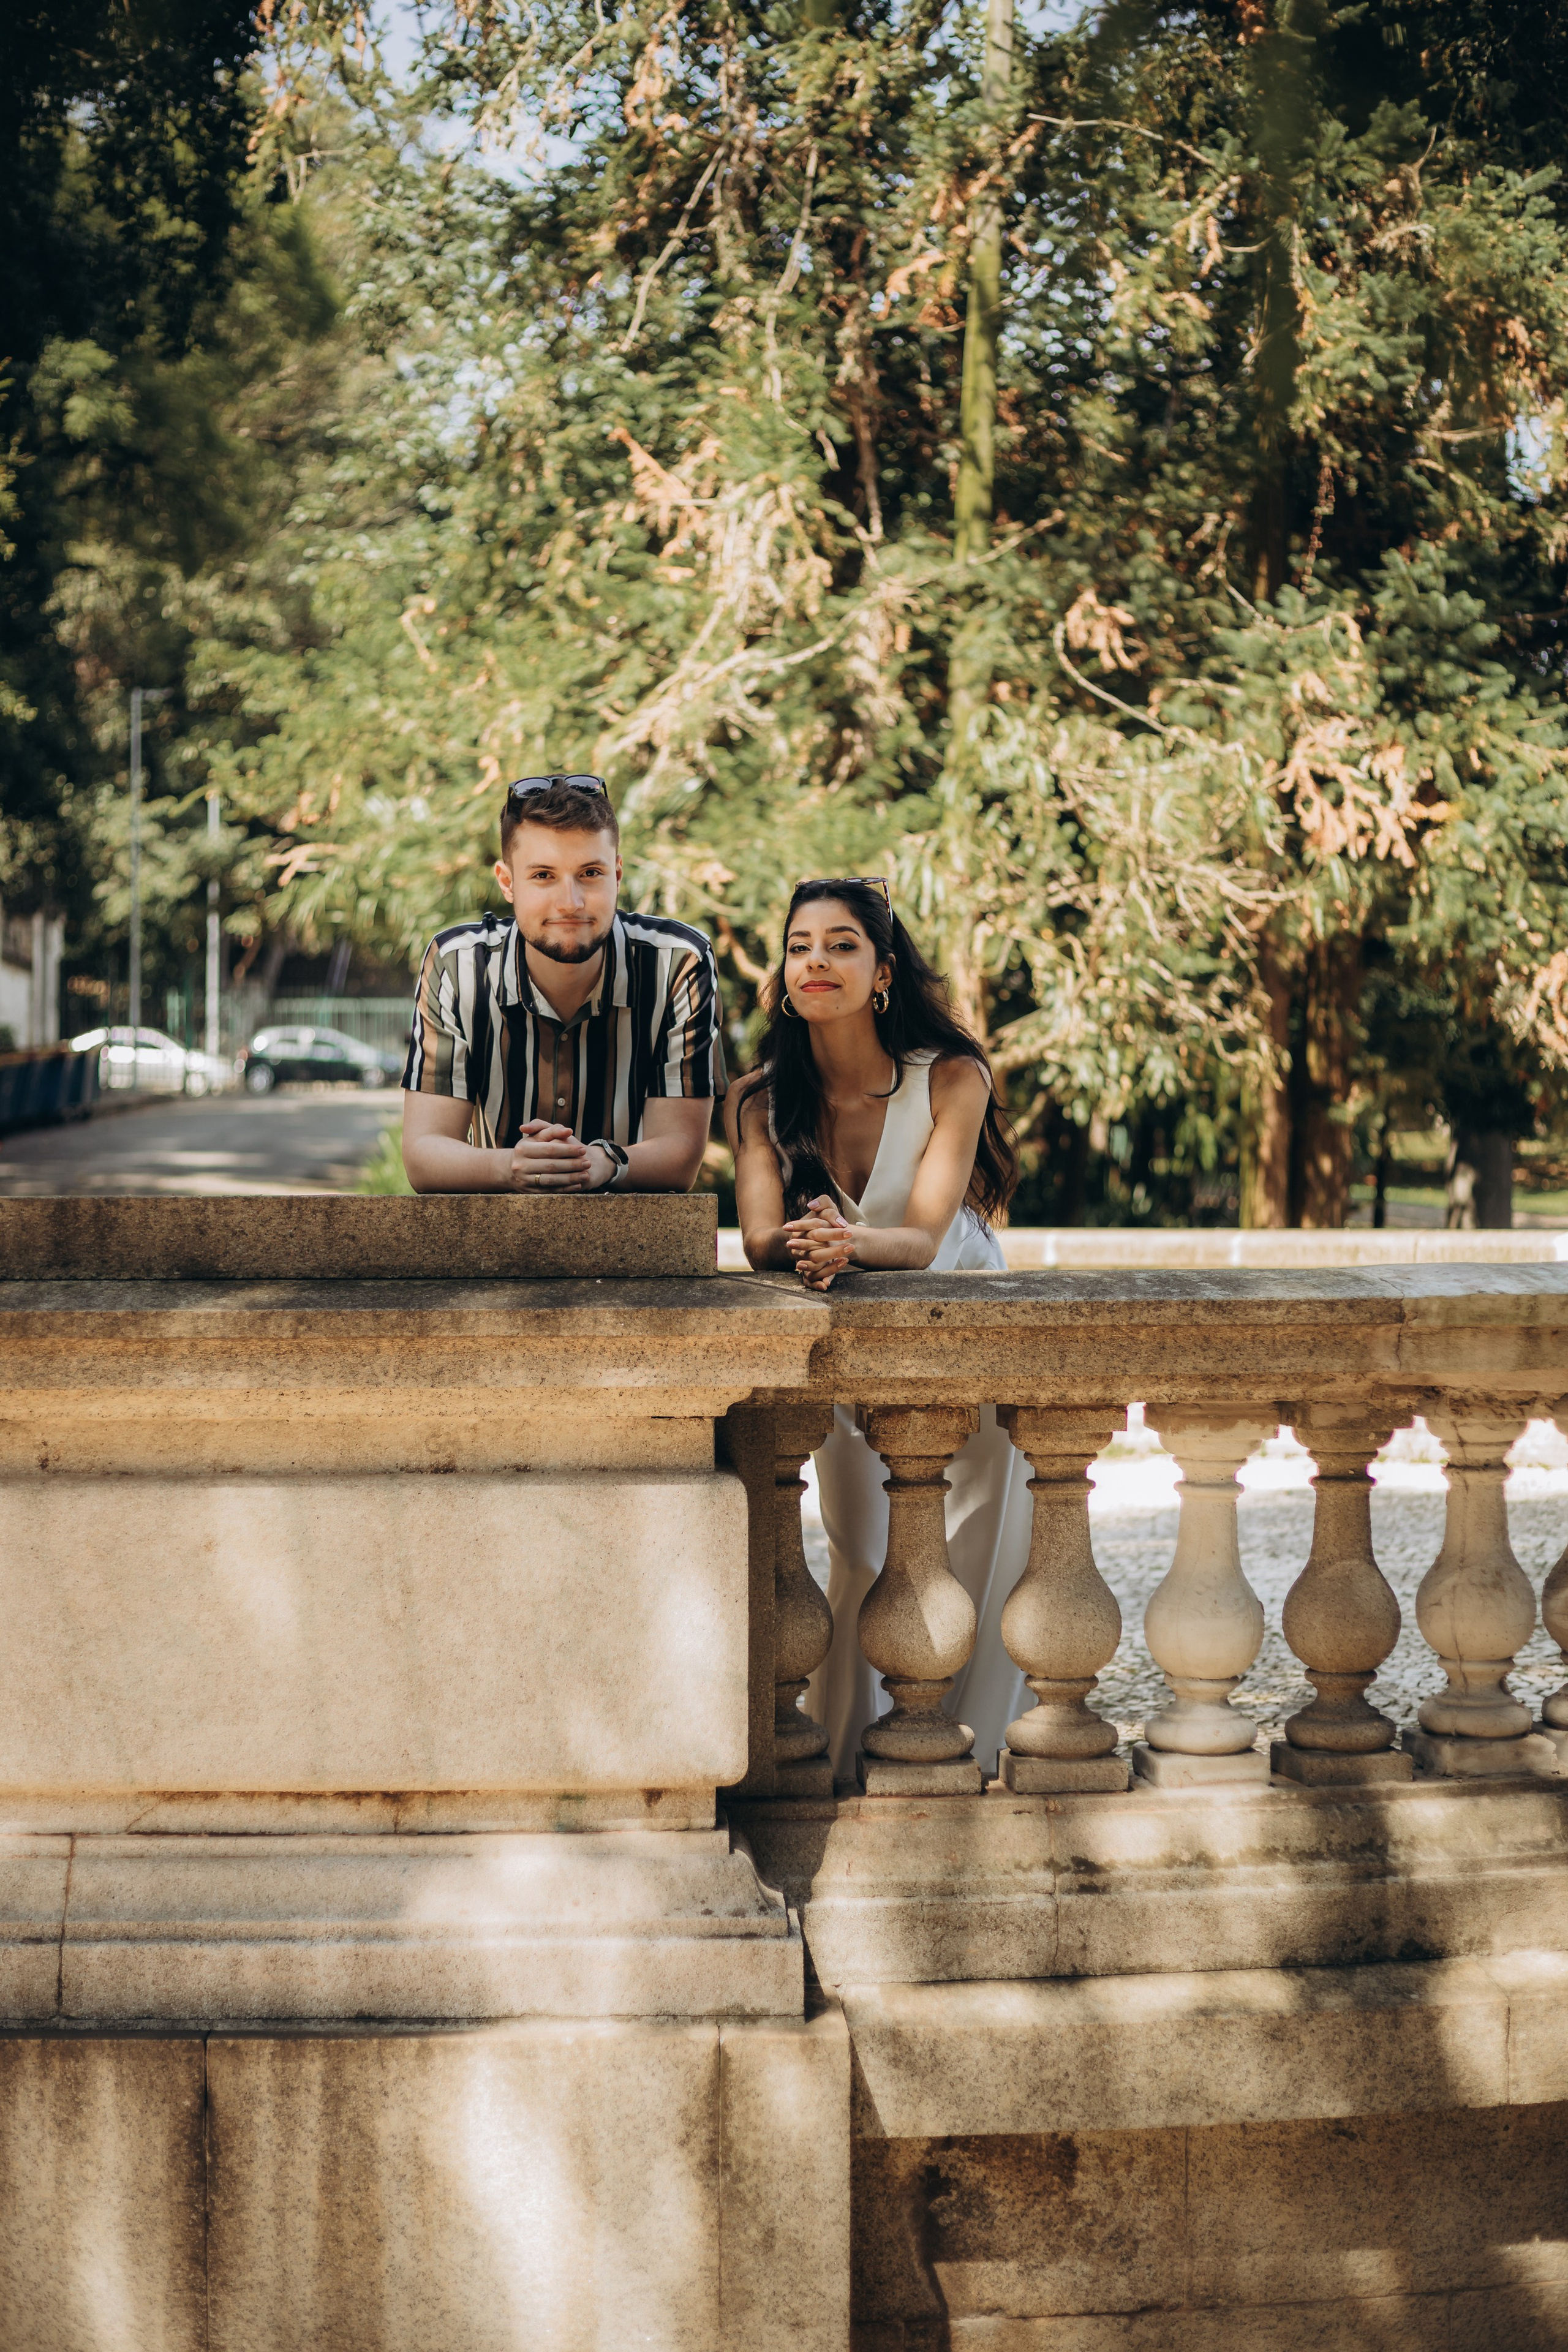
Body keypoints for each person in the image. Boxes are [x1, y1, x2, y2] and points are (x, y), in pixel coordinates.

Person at [725, 875, 1032, 1780]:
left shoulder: (952, 1078)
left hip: (959, 1318)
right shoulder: (756, 1098)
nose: (816, 960)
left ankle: (965, 1759)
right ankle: (862, 1763)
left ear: (883, 971)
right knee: (862, 1546)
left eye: (842, 944)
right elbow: (753, 1241)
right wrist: (808, 1245)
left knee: (978, 1543)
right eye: (800, 946)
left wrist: (843, 1241)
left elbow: (924, 1236)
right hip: (845, 1321)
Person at [401, 773, 723, 1193]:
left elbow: (680, 1155)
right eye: (543, 876)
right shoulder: (457, 965)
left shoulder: (679, 964)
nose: (570, 902)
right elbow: (424, 1154)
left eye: (590, 872)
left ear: (618, 874)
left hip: (632, 1242)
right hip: (493, 1242)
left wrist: (601, 1162)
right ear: (507, 882)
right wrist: (513, 1166)